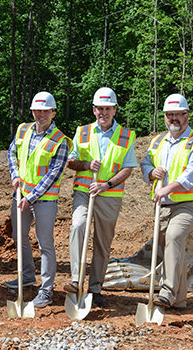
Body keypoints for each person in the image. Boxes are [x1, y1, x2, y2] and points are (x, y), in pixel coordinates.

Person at [64, 87, 137, 308]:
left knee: (102, 243)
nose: (103, 112)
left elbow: (128, 168)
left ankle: (95, 289)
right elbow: (71, 161)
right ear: (94, 110)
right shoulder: (83, 131)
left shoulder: (126, 135)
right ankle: (76, 281)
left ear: (114, 110)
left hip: (109, 194)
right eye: (99, 108)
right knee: (78, 226)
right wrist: (86, 165)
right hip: (84, 192)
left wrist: (106, 184)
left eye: (108, 108)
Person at [140, 93, 193, 310]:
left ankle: (166, 291)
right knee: (173, 249)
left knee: (174, 237)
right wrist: (152, 172)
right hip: (163, 207)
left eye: (178, 115)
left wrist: (166, 189)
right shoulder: (158, 141)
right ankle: (179, 300)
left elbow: (190, 176)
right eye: (170, 115)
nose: (174, 118)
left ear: (186, 115)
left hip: (190, 206)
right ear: (164, 116)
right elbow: (145, 164)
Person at [6, 91, 72, 308]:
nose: (41, 114)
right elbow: (11, 152)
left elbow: (54, 173)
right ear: (32, 111)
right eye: (37, 110)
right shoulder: (23, 129)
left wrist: (31, 196)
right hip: (21, 194)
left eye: (46, 111)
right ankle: (26, 276)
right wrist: (15, 174)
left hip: (44, 200)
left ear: (53, 112)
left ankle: (46, 290)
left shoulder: (60, 141)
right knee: (19, 235)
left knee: (45, 244)